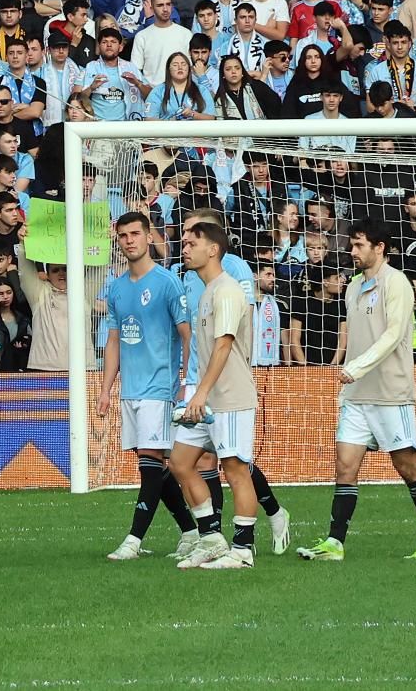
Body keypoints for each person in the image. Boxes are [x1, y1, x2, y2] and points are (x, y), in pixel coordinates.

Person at [298, 220, 416, 562]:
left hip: (390, 393)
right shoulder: (352, 287)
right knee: (344, 465)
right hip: (356, 395)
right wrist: (349, 373)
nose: (353, 251)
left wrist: (356, 367)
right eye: (352, 245)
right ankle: (334, 544)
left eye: (359, 245)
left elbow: (394, 335)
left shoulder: (397, 284)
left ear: (379, 247)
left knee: (407, 466)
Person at [97, 211, 196, 562]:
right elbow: (113, 341)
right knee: (154, 462)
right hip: (131, 389)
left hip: (161, 387)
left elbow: (187, 336)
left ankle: (134, 540)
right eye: (123, 236)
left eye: (135, 234)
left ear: (149, 235)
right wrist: (106, 388)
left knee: (151, 461)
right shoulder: (117, 288)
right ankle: (191, 530)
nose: (129, 241)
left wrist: (186, 381)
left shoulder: (167, 282)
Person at [169, 220, 260, 569]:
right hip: (207, 397)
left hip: (230, 396)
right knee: (179, 462)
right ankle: (211, 537)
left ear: (213, 249)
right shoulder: (206, 292)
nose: (185, 247)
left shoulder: (227, 291)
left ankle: (243, 550)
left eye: (193, 242)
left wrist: (200, 393)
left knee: (235, 468)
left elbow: (224, 346)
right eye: (185, 242)